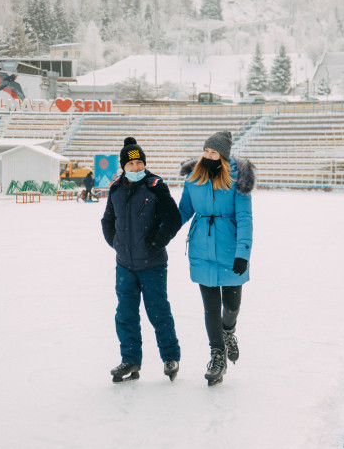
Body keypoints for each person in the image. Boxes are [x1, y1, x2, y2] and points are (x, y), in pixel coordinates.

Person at [101, 137, 183, 383]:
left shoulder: (155, 186)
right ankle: (130, 360)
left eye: (139, 163)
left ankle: (170, 357)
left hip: (152, 263)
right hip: (124, 264)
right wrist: (116, 243)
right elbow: (107, 220)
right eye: (131, 164)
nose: (136, 167)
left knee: (158, 311)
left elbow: (173, 219)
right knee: (125, 313)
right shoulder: (116, 188)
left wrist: (156, 243)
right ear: (123, 166)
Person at [178, 130, 255, 387]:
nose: (209, 156)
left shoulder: (238, 179)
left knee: (231, 307)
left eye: (214, 152)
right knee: (210, 308)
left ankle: (228, 331)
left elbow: (244, 218)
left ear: (223, 156)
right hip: (201, 249)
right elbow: (184, 210)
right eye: (206, 151)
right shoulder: (194, 177)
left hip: (230, 250)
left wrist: (242, 253)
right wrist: (163, 231)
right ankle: (217, 355)